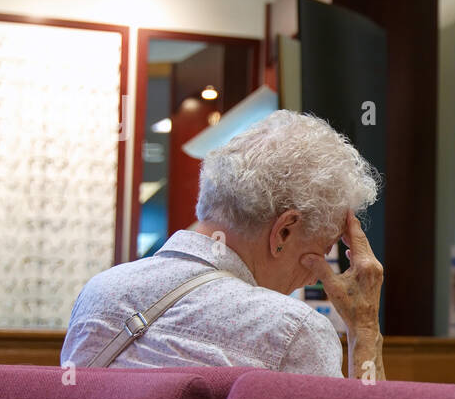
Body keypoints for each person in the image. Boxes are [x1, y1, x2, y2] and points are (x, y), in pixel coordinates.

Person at [61, 110, 384, 379]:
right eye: (322, 249)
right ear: (284, 232)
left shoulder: (100, 292)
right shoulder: (294, 332)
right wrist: (366, 329)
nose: (316, 277)